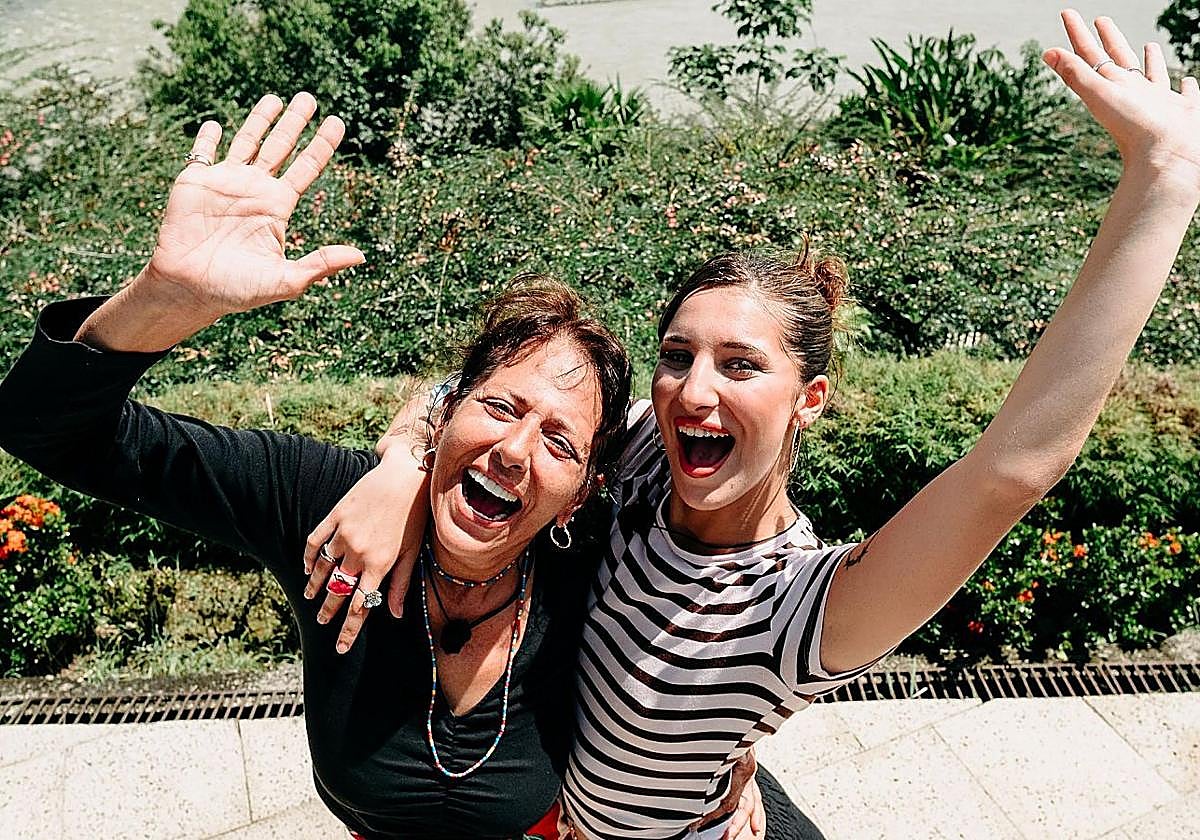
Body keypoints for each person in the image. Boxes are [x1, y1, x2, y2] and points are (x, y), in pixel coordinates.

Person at [301, 11, 1200, 839]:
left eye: (740, 366)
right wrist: (398, 466)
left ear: (809, 399)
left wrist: (1160, 187)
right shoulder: (651, 456)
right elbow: (481, 397)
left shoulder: (795, 609)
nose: (693, 390)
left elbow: (1013, 469)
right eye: (678, 355)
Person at [0, 92, 774, 839]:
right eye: (500, 408)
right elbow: (49, 431)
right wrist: (167, 299)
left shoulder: (594, 557)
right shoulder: (326, 510)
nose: (513, 450)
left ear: (580, 498)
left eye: (560, 442)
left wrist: (725, 757)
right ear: (449, 411)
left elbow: (723, 616)